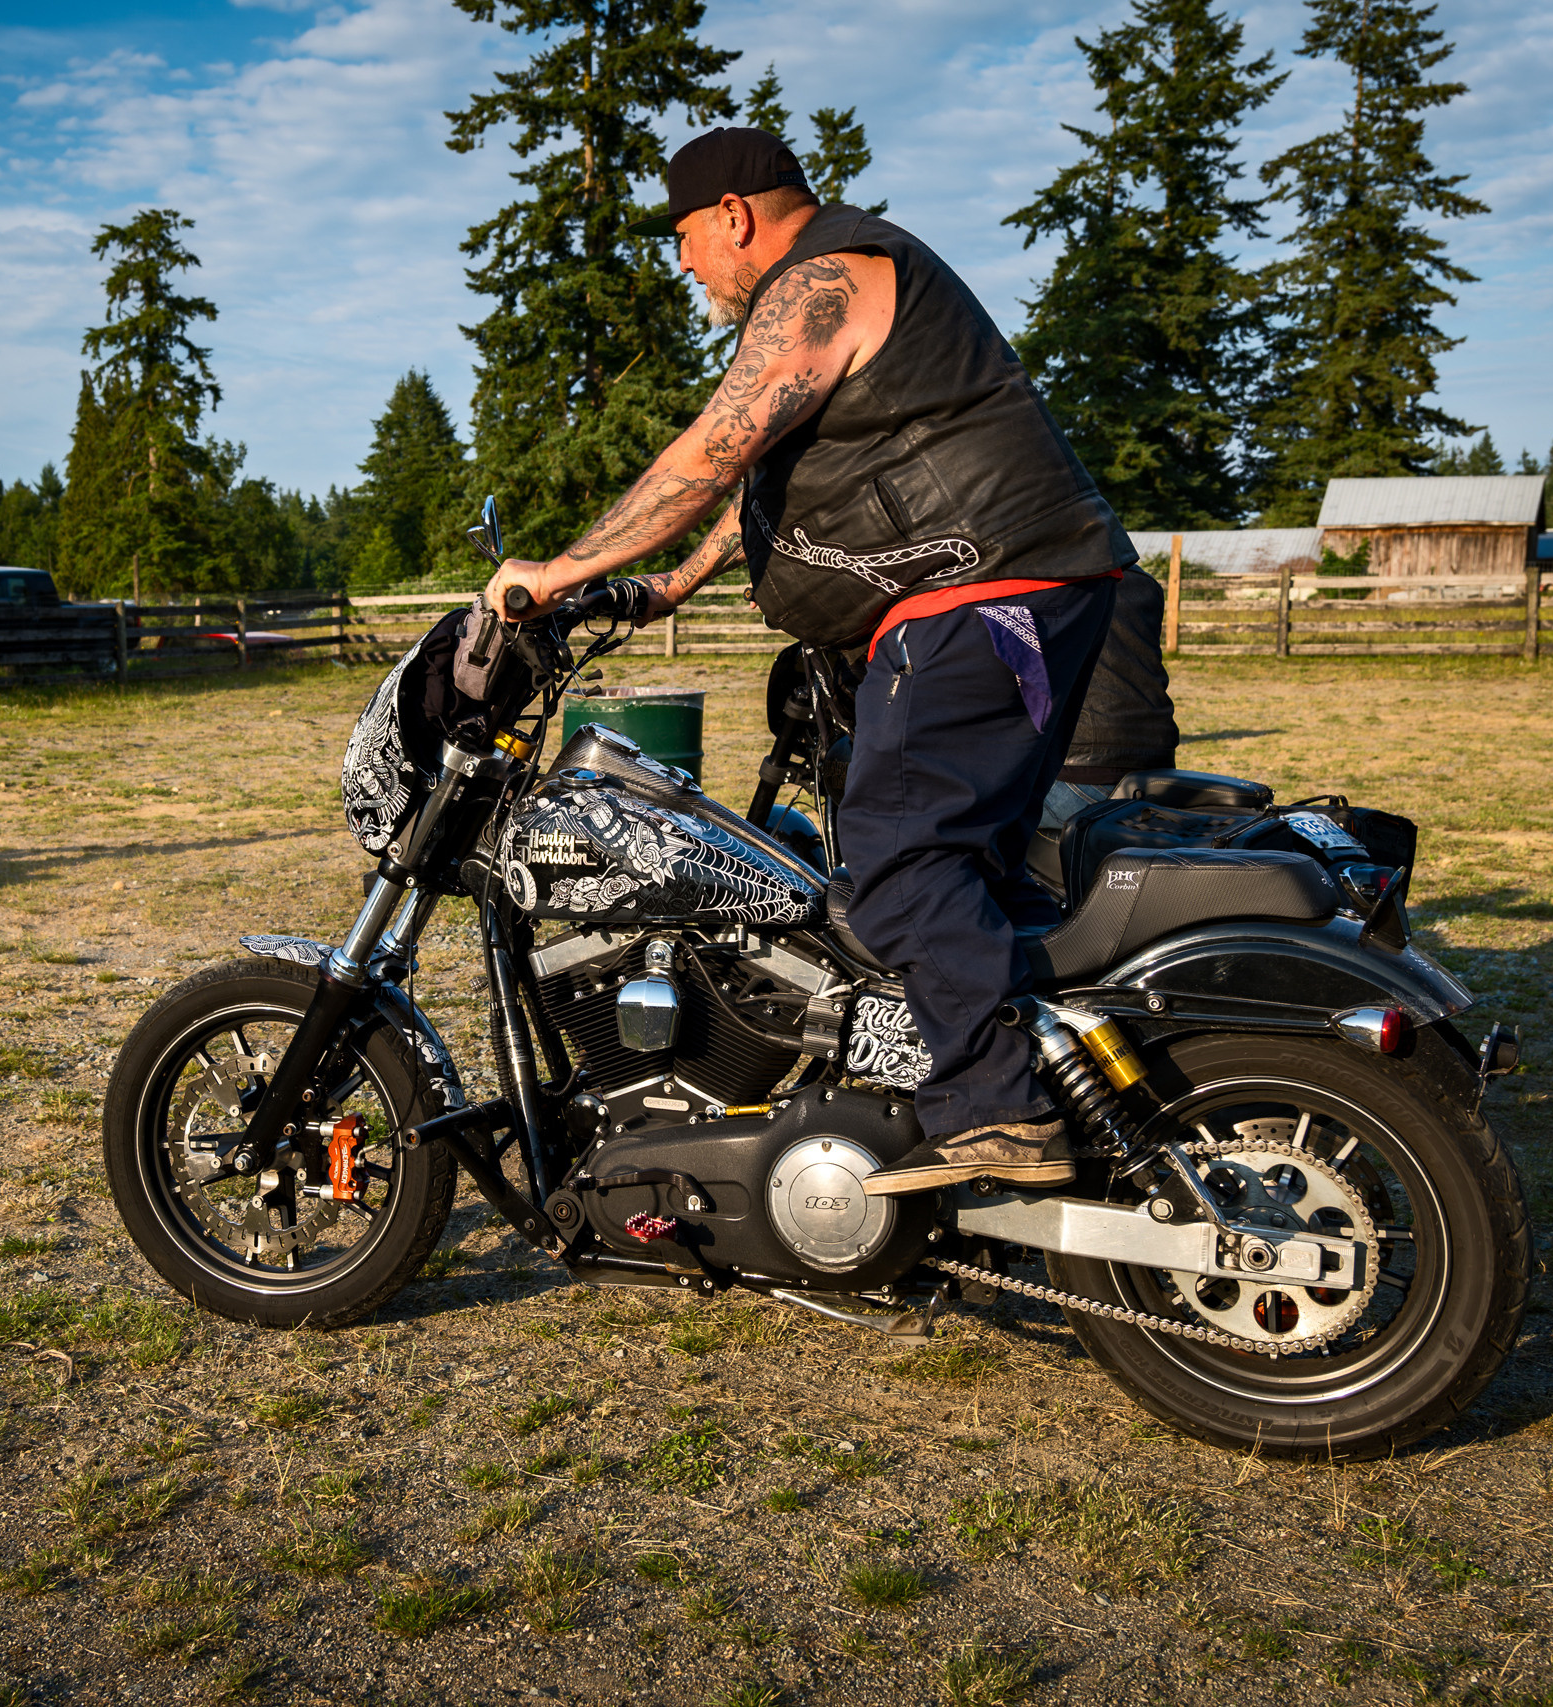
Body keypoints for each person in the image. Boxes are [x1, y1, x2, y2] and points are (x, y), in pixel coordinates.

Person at [485, 127, 1132, 1196]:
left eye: (686, 237)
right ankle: (1036, 1071)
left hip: (982, 602)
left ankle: (996, 1113)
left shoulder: (822, 278)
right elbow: (771, 485)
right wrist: (669, 587)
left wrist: (558, 571)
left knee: (899, 854)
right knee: (964, 863)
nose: (685, 263)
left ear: (733, 215)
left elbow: (715, 448)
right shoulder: (846, 286)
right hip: (1012, 601)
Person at [1039, 562, 1179, 828]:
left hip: (1081, 773)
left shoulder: (1048, 576)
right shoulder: (1143, 581)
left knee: (951, 811)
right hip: (1156, 766)